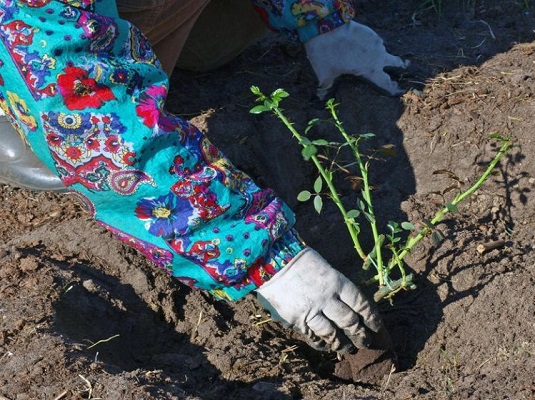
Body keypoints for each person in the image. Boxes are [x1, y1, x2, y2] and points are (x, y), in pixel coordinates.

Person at [0, 0, 407, 354]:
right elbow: (89, 118)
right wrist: (264, 258)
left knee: (221, 35)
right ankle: (13, 107)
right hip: (34, 33)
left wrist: (318, 19)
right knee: (69, 118)